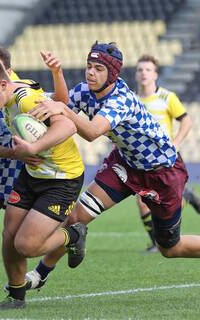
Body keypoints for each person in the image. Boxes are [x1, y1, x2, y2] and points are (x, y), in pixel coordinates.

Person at [24, 41, 200, 292]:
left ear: (113, 74)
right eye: (88, 66)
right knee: (75, 218)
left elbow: (93, 131)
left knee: (170, 249)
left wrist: (63, 109)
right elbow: (55, 106)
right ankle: (40, 274)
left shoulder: (122, 99)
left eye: (98, 68)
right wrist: (48, 79)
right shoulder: (84, 91)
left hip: (163, 173)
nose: (90, 73)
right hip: (125, 165)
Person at [0, 55, 85, 310]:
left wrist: (33, 147)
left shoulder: (25, 100)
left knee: (27, 245)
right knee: (9, 235)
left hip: (62, 178)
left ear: (3, 84)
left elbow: (68, 126)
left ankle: (73, 234)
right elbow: (58, 100)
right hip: (32, 174)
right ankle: (17, 296)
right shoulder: (10, 90)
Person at [135, 54, 200, 253]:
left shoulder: (166, 97)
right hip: (142, 161)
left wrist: (176, 142)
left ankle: (182, 199)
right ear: (136, 75)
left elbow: (186, 121)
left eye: (147, 69)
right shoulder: (132, 101)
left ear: (155, 74)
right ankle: (155, 242)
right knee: (143, 200)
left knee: (158, 202)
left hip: (167, 160)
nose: (143, 73)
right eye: (140, 70)